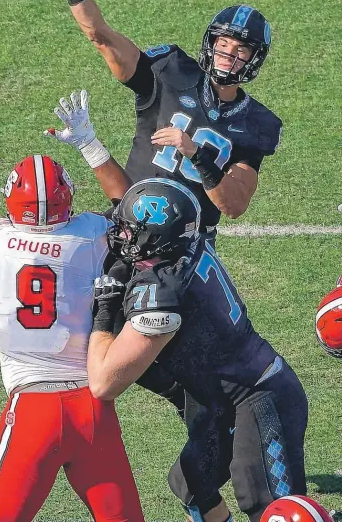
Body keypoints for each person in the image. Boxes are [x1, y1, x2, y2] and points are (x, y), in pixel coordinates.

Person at [41, 0, 283, 421]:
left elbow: (234, 203)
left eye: (240, 50)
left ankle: (199, 408)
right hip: (122, 222)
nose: (228, 55)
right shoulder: (171, 69)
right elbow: (100, 36)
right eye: (223, 43)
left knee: (172, 349)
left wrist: (197, 154)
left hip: (184, 254)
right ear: (209, 42)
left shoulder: (257, 125)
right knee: (75, 324)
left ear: (254, 61)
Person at [85, 177, 308, 522]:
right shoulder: (184, 245)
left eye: (130, 230)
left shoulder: (162, 291)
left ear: (154, 240)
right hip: (221, 397)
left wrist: (104, 309)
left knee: (274, 511)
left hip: (259, 394)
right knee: (191, 485)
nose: (121, 236)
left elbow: (104, 383)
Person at [0, 126, 144, 522]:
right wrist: (90, 145)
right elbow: (134, 206)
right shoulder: (94, 235)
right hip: (93, 407)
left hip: (33, 409)